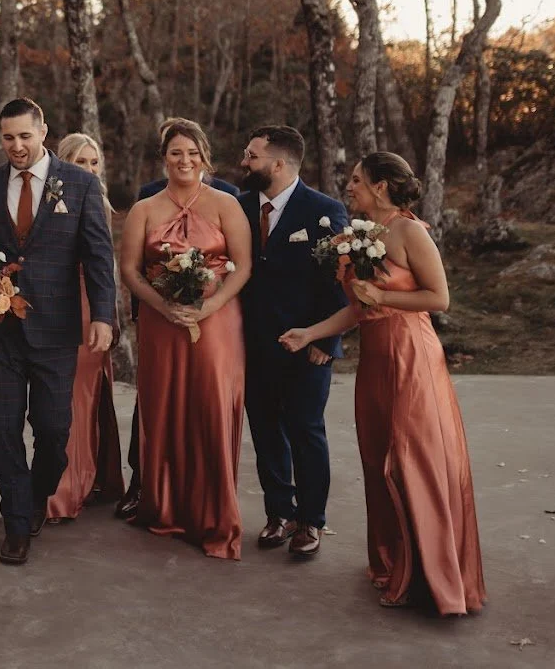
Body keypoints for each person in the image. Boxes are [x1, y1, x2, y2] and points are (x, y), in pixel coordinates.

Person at [280, 152, 485, 614]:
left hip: (411, 353)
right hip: (375, 358)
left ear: (380, 186)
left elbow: (439, 298)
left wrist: (383, 294)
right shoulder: (362, 235)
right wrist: (310, 333)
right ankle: (394, 561)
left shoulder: (410, 232)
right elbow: (360, 309)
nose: (349, 185)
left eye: (357, 179)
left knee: (411, 458)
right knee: (377, 457)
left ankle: (429, 574)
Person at [0, 98, 117, 565]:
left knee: (54, 430)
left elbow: (98, 255)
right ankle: (17, 525)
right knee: (4, 428)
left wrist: (103, 315)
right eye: (8, 137)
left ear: (43, 131)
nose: (16, 146)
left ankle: (37, 496)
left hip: (56, 330)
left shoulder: (79, 183)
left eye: (24, 136)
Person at [117, 119, 250, 559]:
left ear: (205, 156)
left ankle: (214, 513)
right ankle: (165, 504)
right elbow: (130, 270)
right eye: (176, 152)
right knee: (165, 405)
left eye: (192, 153)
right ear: (164, 158)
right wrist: (162, 306)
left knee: (211, 405)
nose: (184, 160)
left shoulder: (227, 204)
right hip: (162, 325)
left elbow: (244, 266)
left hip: (217, 324)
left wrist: (212, 307)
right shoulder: (144, 209)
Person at [239, 125, 349, 558]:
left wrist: (328, 340)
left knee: (306, 431)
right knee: (265, 431)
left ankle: (311, 520)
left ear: (279, 163)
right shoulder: (240, 207)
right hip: (253, 345)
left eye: (252, 156)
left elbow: (340, 281)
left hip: (308, 346)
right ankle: (279, 513)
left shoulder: (324, 210)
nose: (244, 163)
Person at [45, 133, 125, 523]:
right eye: (81, 162)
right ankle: (68, 478)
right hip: (56, 304)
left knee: (84, 396)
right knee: (63, 398)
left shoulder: (100, 202)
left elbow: (105, 265)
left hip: (88, 305)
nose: (90, 170)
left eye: (94, 162)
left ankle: (72, 485)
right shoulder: (49, 199)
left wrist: (107, 315)